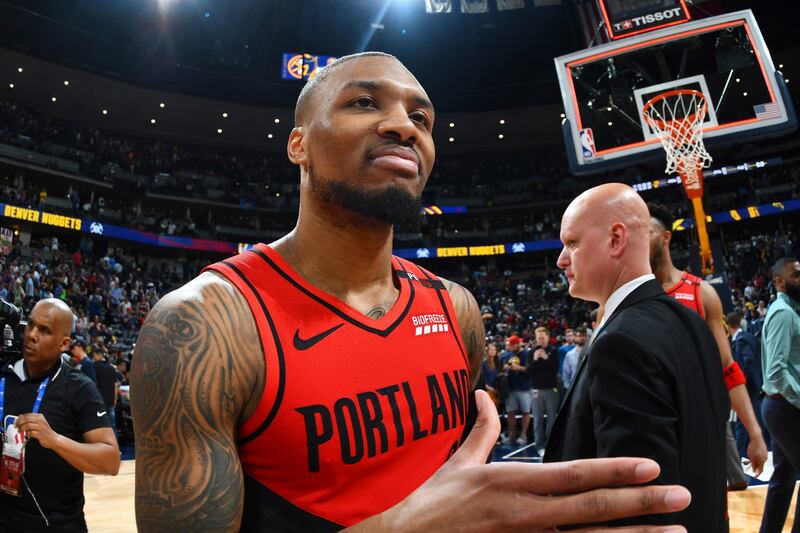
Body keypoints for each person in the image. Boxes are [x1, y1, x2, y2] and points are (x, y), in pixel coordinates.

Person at [132, 52, 692, 532]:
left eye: (421, 117)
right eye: (364, 103)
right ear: (298, 144)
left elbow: (458, 497)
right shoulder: (203, 326)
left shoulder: (456, 308)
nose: (404, 126)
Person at [545, 183, 728, 531]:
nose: (561, 259)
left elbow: (641, 504)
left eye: (572, 242)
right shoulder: (691, 320)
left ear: (616, 239)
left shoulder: (620, 342)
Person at [648, 203, 768, 487]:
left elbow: (727, 367)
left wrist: (754, 432)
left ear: (666, 237)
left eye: (647, 231)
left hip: (698, 423)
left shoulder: (700, 293)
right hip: (651, 428)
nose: (638, 239)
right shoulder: (626, 296)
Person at [0, 299, 120, 532]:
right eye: (30, 325)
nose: (32, 335)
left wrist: (55, 440)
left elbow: (111, 460)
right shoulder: (5, 375)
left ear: (64, 343)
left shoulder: (78, 387)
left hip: (58, 525)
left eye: (44, 330)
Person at [759, 257, 800, 533]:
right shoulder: (784, 313)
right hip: (784, 406)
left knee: (783, 479)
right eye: (796, 275)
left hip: (780, 406)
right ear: (780, 282)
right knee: (783, 478)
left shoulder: (790, 310)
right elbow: (775, 372)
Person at [727, 310, 768, 459]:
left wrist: (741, 379)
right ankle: (747, 450)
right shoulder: (748, 336)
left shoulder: (741, 340)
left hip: (747, 385)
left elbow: (748, 359)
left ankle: (740, 452)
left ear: (728, 326)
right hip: (755, 383)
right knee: (753, 417)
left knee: (743, 418)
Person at [528, 326, 559, 454]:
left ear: (547, 337)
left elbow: (555, 369)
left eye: (542, 337)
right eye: (538, 338)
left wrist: (546, 358)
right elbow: (529, 371)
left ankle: (550, 445)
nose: (540, 340)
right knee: (537, 420)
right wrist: (535, 359)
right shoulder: (531, 352)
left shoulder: (554, 351)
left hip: (551, 389)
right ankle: (540, 446)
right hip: (536, 390)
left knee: (552, 419)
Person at [500, 335, 532, 445]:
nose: (511, 347)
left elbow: (531, 370)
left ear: (518, 344)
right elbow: (503, 366)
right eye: (510, 345)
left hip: (524, 387)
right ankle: (512, 435)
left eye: (513, 345)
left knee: (525, 412)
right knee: (510, 412)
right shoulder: (508, 354)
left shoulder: (527, 354)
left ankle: (523, 435)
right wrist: (505, 367)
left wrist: (519, 368)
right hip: (510, 388)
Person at [92, 347, 119, 437]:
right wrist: (115, 398)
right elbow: (115, 384)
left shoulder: (94, 366)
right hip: (111, 399)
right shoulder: (111, 368)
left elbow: (94, 384)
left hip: (99, 400)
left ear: (95, 354)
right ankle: (115, 443)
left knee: (100, 425)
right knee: (112, 424)